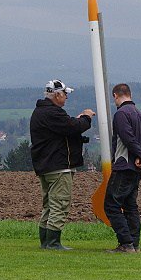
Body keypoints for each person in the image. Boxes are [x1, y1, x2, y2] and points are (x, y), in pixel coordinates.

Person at [29, 79, 95, 251]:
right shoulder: (53, 113)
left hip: (45, 166)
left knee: (49, 206)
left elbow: (65, 128)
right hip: (58, 167)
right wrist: (86, 117)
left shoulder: (41, 112)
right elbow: (73, 127)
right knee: (60, 204)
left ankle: (45, 241)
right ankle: (53, 243)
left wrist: (76, 121)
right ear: (57, 95)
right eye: (65, 94)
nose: (66, 98)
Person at [104, 83, 141, 253]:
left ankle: (126, 243)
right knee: (130, 205)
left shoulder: (121, 114)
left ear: (115, 96)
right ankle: (135, 244)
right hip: (136, 169)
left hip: (123, 166)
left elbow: (127, 138)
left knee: (111, 204)